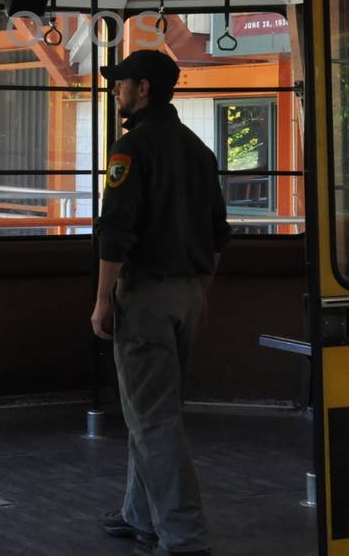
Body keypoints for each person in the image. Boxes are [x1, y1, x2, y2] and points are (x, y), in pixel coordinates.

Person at [91, 48, 230, 556]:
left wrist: (103, 299)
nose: (115, 90)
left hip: (146, 295)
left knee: (153, 419)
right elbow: (219, 234)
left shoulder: (132, 150)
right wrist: (202, 294)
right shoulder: (199, 150)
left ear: (143, 88)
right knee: (152, 409)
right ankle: (141, 514)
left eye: (121, 82)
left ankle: (183, 536)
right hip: (189, 294)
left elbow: (115, 233)